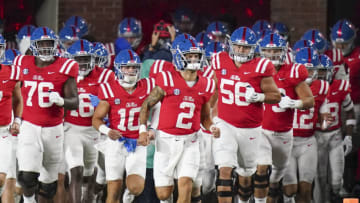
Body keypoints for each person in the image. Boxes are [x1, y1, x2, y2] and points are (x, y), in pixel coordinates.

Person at [139, 37, 220, 203]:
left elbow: (205, 116)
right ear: (178, 57)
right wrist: (143, 130)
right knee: (163, 194)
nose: (194, 60)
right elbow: (146, 105)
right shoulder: (167, 79)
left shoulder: (206, 84)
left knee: (186, 184)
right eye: (189, 56)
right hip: (166, 141)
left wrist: (211, 127)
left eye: (196, 56)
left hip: (191, 141)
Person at [210, 27, 281, 203]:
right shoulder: (219, 60)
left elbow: (276, 96)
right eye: (238, 46)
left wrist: (260, 96)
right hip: (225, 124)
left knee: (246, 177)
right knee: (224, 170)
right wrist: (208, 117)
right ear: (230, 45)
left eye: (246, 47)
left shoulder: (261, 66)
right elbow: (213, 90)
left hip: (251, 128)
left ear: (253, 48)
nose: (241, 50)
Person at [14, 26, 79, 203]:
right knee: (27, 176)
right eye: (40, 44)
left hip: (53, 129)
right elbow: (13, 92)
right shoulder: (22, 63)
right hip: (29, 125)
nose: (45, 48)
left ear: (55, 45)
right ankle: (28, 201)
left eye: (48, 43)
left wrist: (61, 101)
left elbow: (75, 101)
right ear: (33, 46)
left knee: (49, 186)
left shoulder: (65, 66)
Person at [93, 49, 156, 203]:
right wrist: (107, 131)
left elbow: (158, 109)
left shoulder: (147, 86)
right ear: (118, 69)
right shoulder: (109, 89)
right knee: (113, 191)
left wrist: (152, 128)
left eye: (134, 67)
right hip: (116, 143)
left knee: (136, 187)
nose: (131, 71)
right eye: (126, 67)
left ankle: (128, 196)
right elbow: (96, 119)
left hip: (138, 142)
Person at [256, 35, 314, 203]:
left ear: (284, 52)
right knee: (262, 168)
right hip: (261, 130)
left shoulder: (292, 72)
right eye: (268, 51)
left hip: (284, 134)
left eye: (276, 51)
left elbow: (309, 101)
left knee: (276, 177)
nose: (272, 54)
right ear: (262, 52)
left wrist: (295, 103)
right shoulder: (255, 70)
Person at [65, 39, 115, 203]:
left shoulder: (106, 76)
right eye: (78, 60)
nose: (82, 64)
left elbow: (116, 102)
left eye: (86, 59)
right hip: (71, 128)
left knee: (91, 173)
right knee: (76, 171)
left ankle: (91, 197)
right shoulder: (64, 75)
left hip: (96, 131)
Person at [282, 53, 331, 203]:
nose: (308, 74)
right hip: (287, 141)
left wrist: (324, 123)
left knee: (306, 189)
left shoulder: (322, 86)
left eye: (311, 70)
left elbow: (325, 115)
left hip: (308, 141)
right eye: (305, 69)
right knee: (290, 190)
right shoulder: (285, 82)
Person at [313, 53, 356, 203]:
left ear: (332, 70)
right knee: (320, 178)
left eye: (324, 70)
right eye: (318, 71)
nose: (321, 74)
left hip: (335, 136)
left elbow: (350, 111)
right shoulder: (310, 88)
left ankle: (336, 196)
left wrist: (349, 136)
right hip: (317, 136)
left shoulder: (340, 86)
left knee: (336, 181)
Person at [0, 35, 23, 203]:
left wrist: (18, 119)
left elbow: (18, 98)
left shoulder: (12, 72)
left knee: (2, 177)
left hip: (3, 131)